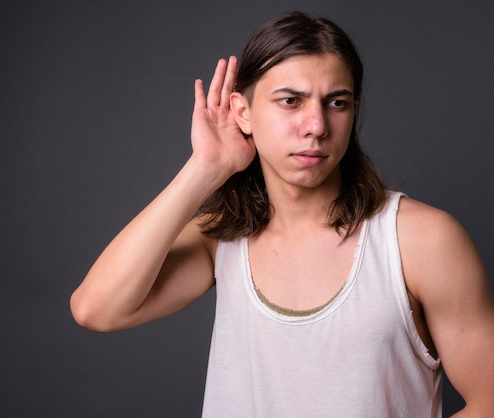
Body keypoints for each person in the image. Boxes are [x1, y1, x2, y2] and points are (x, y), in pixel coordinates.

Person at [70, 11, 494, 417]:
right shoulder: (221, 239)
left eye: (337, 103)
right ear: (243, 112)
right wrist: (205, 168)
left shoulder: (421, 240)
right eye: (290, 101)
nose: (316, 125)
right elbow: (97, 309)